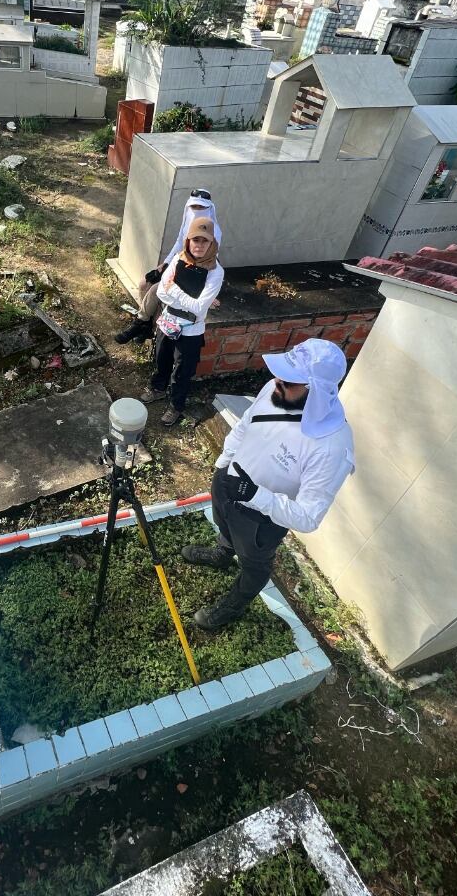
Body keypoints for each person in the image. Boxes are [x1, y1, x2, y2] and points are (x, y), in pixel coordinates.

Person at [183, 339, 355, 631]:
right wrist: (223, 465)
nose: (277, 381)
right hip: (228, 483)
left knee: (255, 564)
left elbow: (309, 517)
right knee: (224, 524)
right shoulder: (274, 389)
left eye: (289, 380)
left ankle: (234, 605)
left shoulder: (332, 447)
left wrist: (255, 495)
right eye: (280, 374)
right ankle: (223, 554)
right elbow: (245, 425)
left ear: (316, 390)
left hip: (261, 519)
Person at [139, 215, 225, 427]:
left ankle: (176, 405)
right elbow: (161, 293)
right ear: (188, 240)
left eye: (205, 241)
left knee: (182, 371)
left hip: (190, 330)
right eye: (196, 239)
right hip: (168, 321)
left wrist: (175, 290)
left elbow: (198, 308)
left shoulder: (215, 272)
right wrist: (187, 298)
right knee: (161, 358)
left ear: (212, 243)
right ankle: (158, 388)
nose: (199, 245)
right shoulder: (179, 259)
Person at [115, 189, 222, 345]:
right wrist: (164, 264)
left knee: (154, 291)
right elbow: (179, 243)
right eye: (194, 206)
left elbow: (212, 259)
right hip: (179, 264)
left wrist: (209, 292)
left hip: (193, 275)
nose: (197, 210)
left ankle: (140, 323)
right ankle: (147, 327)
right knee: (144, 283)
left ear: (209, 207)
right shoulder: (188, 221)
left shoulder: (213, 231)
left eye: (201, 207)